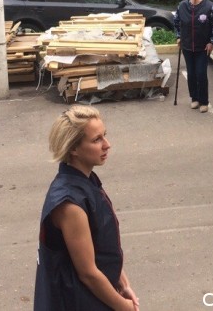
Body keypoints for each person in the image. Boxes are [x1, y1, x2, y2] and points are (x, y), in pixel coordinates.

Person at [34, 106, 139, 311]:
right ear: (73, 148)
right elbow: (88, 273)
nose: (107, 145)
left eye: (104, 135)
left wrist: (123, 283)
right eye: (97, 140)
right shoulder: (70, 204)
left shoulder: (85, 181)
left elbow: (100, 249)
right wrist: (124, 307)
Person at [174, 0, 213, 113]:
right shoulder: (182, 6)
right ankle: (194, 98)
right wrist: (178, 37)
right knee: (191, 74)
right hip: (187, 46)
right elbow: (176, 23)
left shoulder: (208, 6)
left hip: (203, 47)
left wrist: (211, 41)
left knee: (201, 74)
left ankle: (204, 101)